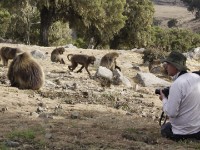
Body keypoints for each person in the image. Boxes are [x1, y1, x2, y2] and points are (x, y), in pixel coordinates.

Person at [159, 51, 200, 141]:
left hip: (181, 133)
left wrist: (164, 99)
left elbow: (172, 113)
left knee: (165, 128)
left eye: (168, 64)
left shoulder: (178, 84)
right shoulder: (197, 78)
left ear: (175, 66)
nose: (166, 67)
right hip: (198, 131)